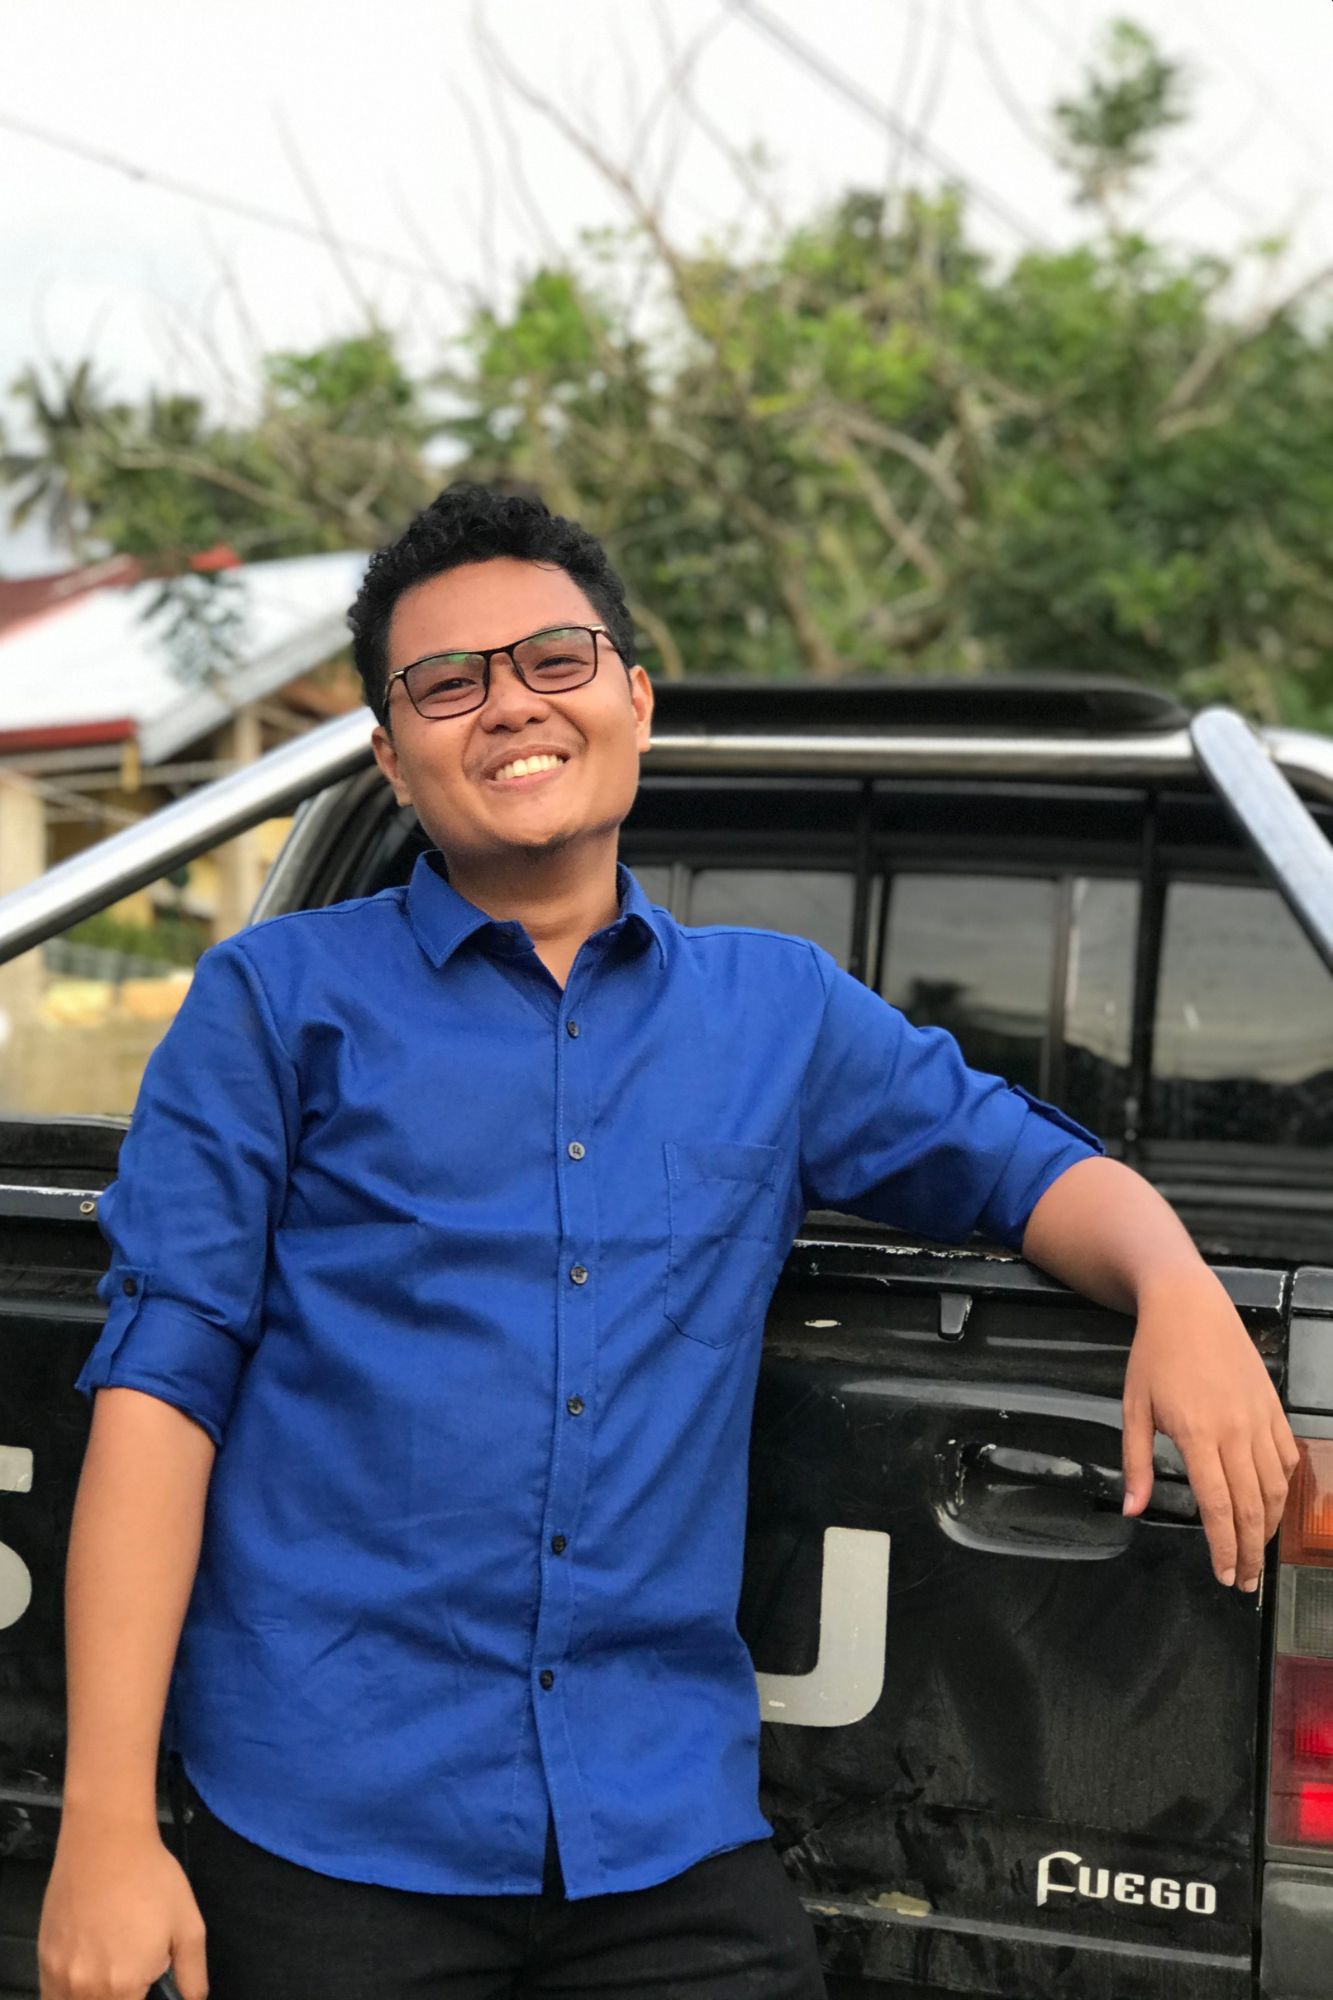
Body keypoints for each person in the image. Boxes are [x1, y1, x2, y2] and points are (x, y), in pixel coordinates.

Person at [39, 483, 1299, 2000]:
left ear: (633, 698)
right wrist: (104, 1827)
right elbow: (161, 1394)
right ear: (391, 749)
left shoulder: (777, 1015)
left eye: (554, 660)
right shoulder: (268, 1005)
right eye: (447, 682)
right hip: (326, 1831)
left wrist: (1175, 1287)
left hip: (661, 1838)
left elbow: (1024, 1165)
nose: (508, 704)